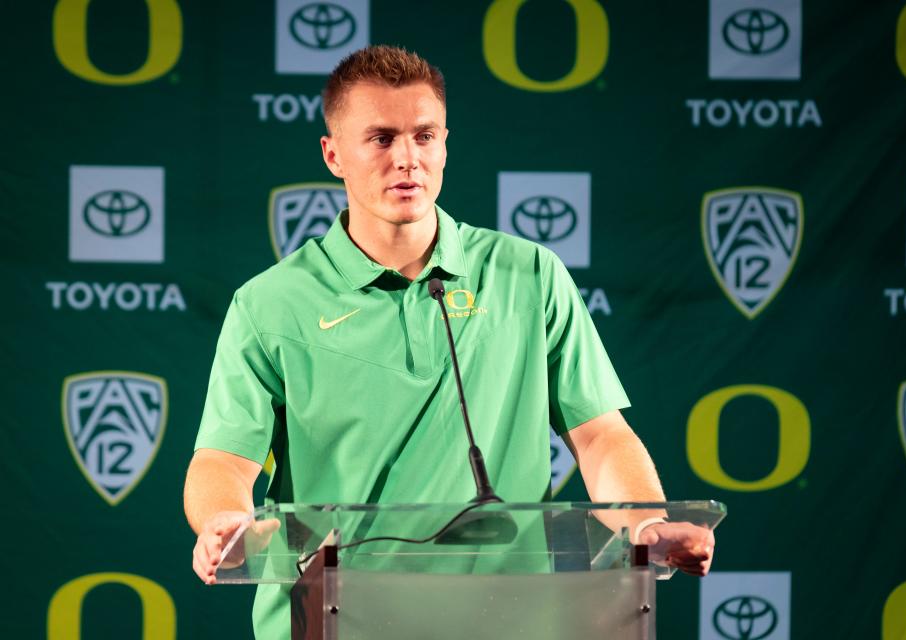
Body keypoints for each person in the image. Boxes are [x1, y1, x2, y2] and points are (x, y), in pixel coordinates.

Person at [184, 45, 714, 637]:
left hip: (508, 618)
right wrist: (225, 525)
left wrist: (645, 525)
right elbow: (222, 461)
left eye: (424, 136)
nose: (407, 158)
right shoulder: (270, 303)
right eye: (381, 139)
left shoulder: (529, 275)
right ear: (334, 155)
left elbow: (599, 436)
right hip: (335, 620)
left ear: (444, 144)